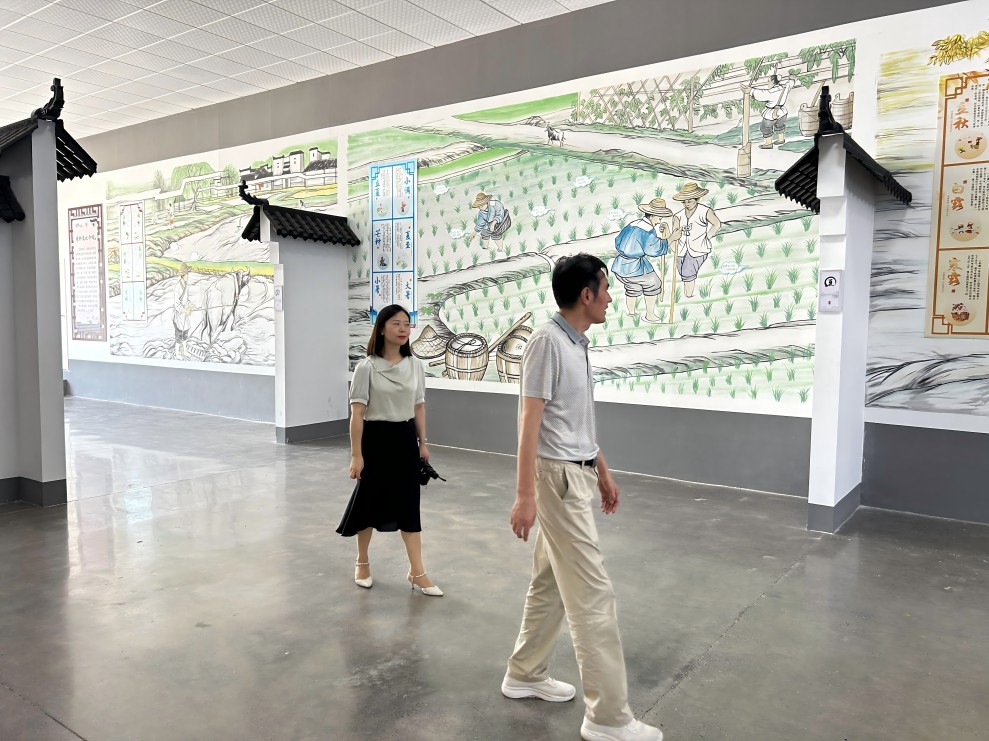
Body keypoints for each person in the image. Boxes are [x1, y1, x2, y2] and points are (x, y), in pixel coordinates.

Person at [504, 254, 662, 741]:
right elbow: (529, 421)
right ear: (586, 294)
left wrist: (603, 472)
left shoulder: (577, 343)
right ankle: (608, 718)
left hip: (577, 474)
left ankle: (524, 673)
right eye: (606, 289)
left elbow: (576, 422)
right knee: (594, 595)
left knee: (551, 583)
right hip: (555, 480)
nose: (611, 298)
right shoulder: (547, 343)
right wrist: (524, 495)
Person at [336, 304, 442, 597]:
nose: (403, 328)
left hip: (404, 439)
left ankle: (417, 571)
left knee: (409, 505)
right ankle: (362, 562)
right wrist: (356, 455)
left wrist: (422, 443)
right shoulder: (367, 367)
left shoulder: (415, 365)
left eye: (407, 323)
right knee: (368, 502)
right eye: (396, 323)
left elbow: (419, 406)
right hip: (376, 440)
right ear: (381, 328)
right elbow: (357, 414)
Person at [611, 198, 673, 323]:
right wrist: (671, 239)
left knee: (632, 287)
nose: (659, 220)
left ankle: (631, 313)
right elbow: (654, 249)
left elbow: (618, 240)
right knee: (653, 283)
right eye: (659, 217)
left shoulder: (633, 224)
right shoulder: (648, 230)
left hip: (620, 265)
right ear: (653, 215)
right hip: (634, 268)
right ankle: (650, 315)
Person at [671, 182, 721, 298]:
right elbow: (675, 233)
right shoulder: (678, 216)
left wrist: (707, 237)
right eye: (684, 202)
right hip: (681, 249)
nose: (686, 204)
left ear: (697, 199)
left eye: (689, 201)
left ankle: (688, 295)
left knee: (688, 273)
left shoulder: (705, 211)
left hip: (699, 249)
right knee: (682, 272)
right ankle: (688, 295)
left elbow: (717, 224)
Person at [743, 70, 802, 149]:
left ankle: (768, 143)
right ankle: (781, 139)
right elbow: (789, 83)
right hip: (782, 112)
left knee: (765, 127)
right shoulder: (784, 87)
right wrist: (791, 79)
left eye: (769, 81)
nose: (768, 83)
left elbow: (761, 94)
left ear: (773, 82)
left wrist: (751, 90)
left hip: (771, 114)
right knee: (780, 125)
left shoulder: (771, 92)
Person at [172, 263, 194, 360]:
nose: (188, 276)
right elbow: (177, 304)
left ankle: (184, 351)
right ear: (183, 275)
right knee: (179, 335)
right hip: (179, 315)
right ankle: (177, 353)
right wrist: (184, 310)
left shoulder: (186, 286)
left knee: (185, 333)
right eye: (187, 274)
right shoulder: (177, 287)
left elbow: (187, 300)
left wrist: (190, 305)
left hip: (185, 315)